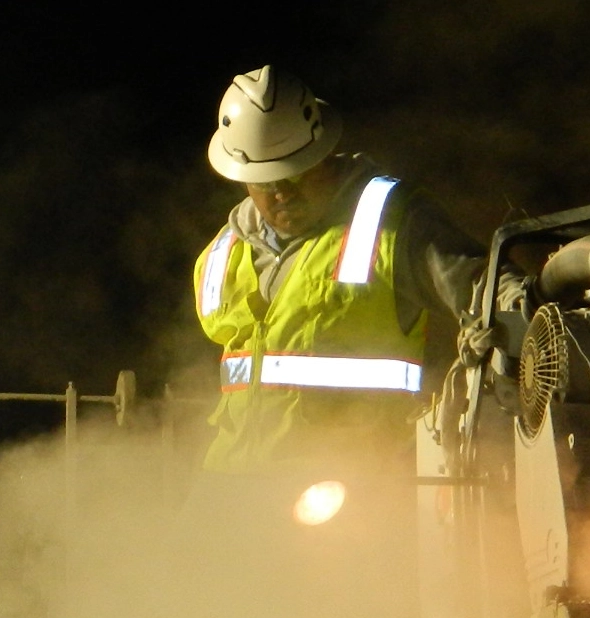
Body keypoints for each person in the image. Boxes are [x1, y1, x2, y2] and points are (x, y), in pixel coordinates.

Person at [193, 63, 526, 478]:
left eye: (296, 175)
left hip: (350, 488)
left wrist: (518, 309)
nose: (282, 194)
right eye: (266, 182)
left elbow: (484, 284)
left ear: (324, 156)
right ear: (243, 178)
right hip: (231, 483)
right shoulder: (221, 255)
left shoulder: (392, 221)